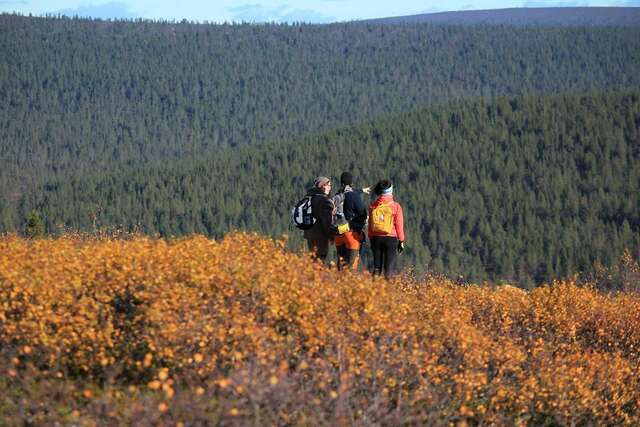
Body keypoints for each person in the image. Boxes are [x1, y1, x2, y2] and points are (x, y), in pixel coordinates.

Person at [368, 179, 405, 278]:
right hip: (391, 239)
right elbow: (399, 225)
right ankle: (387, 291)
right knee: (388, 269)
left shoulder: (373, 206)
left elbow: (370, 224)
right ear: (391, 191)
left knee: (377, 268)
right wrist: (401, 240)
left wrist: (371, 237)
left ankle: (373, 290)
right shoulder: (396, 206)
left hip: (376, 238)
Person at [303, 176, 345, 262]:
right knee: (319, 261)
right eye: (328, 185)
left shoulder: (308, 197)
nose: (330, 187)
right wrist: (332, 236)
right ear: (322, 186)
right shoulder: (324, 200)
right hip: (320, 236)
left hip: (309, 235)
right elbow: (326, 223)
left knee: (313, 260)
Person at [333, 172, 369, 270]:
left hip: (338, 232)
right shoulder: (353, 196)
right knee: (351, 267)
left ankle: (336, 283)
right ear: (351, 183)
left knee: (340, 264)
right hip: (351, 233)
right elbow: (363, 213)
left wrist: (361, 190)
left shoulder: (337, 196)